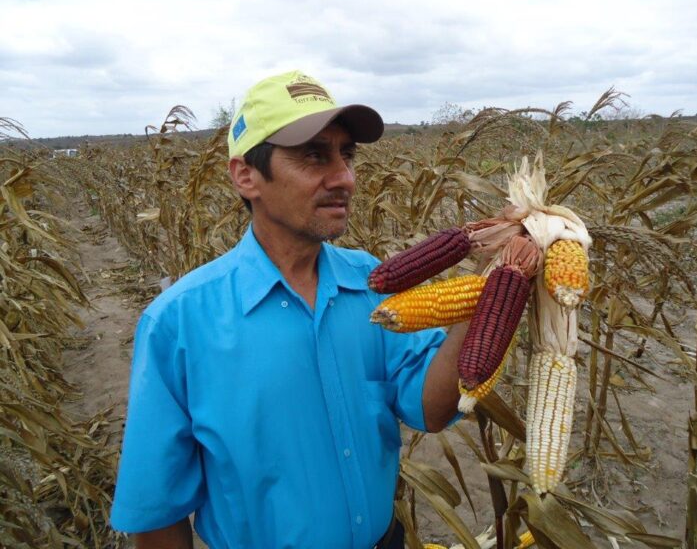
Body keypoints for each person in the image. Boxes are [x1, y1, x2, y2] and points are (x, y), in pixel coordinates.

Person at [110, 70, 470, 549]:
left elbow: (431, 408)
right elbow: (157, 515)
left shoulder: (373, 283)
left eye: (346, 155)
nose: (344, 178)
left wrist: (488, 301)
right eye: (314, 156)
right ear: (246, 175)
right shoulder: (178, 323)